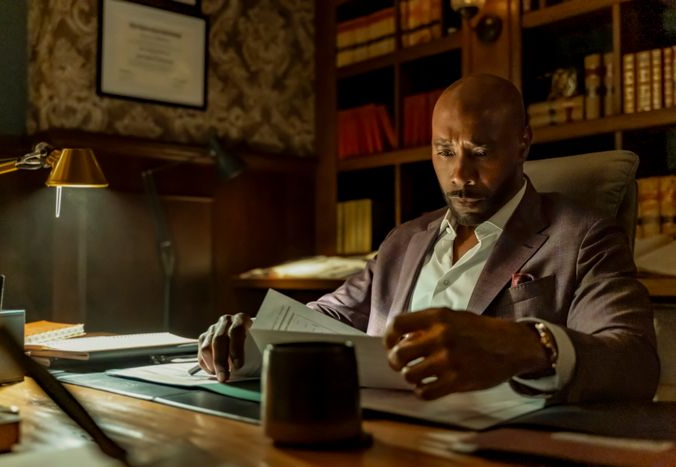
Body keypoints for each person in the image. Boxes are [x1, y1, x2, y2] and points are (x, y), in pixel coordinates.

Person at [197, 74, 659, 403]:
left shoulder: (582, 237)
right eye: (444, 152)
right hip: (376, 434)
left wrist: (523, 345)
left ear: (522, 143)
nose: (459, 174)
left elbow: (635, 361)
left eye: (480, 152)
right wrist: (255, 332)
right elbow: (333, 314)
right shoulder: (405, 239)